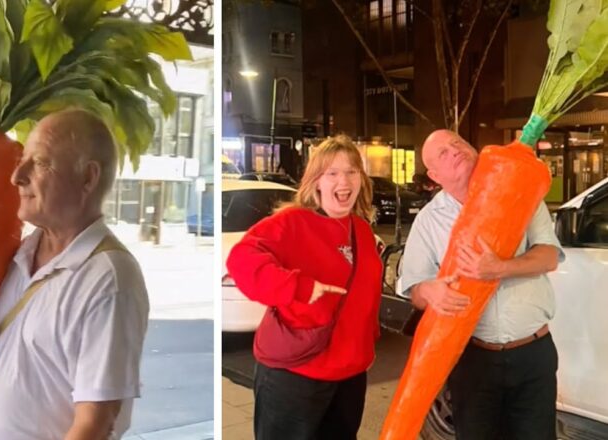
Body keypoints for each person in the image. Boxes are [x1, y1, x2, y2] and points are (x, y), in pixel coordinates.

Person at [0, 109, 150, 440]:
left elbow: (95, 422)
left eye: (40, 163)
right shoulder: (15, 256)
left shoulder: (109, 278)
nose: (17, 176)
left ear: (87, 178)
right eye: (23, 160)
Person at [399, 129, 564, 439]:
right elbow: (416, 290)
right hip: (473, 358)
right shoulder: (428, 220)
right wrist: (429, 290)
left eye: (457, 143)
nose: (455, 151)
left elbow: (549, 257)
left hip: (533, 352)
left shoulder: (521, 192)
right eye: (444, 154)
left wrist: (499, 268)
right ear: (435, 175)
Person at [226, 135, 382, 440]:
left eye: (352, 171)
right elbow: (241, 260)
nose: (344, 180)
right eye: (332, 173)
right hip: (296, 375)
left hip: (350, 376)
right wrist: (297, 287)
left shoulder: (361, 230)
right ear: (317, 181)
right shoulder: (293, 222)